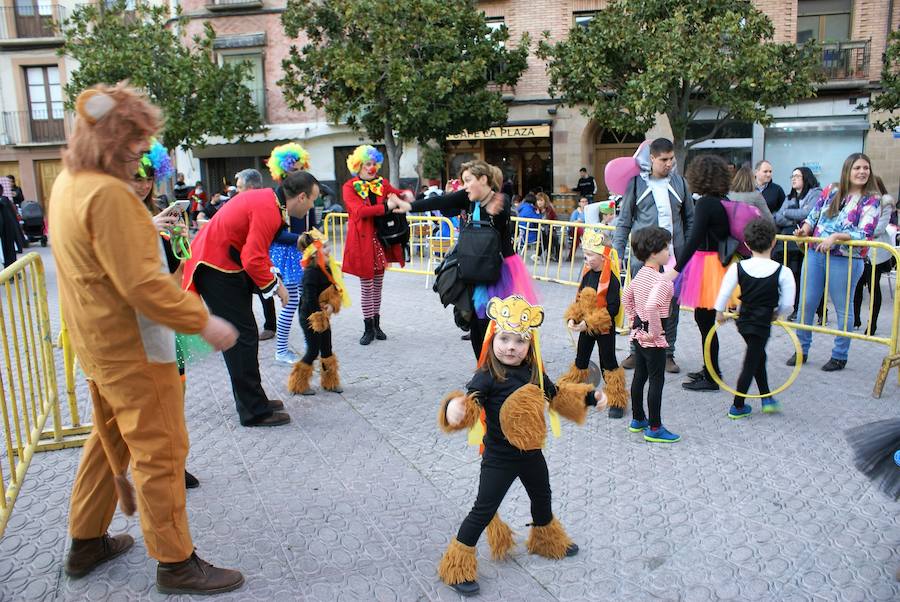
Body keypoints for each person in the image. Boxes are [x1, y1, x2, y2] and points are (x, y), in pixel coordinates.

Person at [50, 83, 242, 594]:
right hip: (135, 350)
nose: (141, 151)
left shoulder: (70, 183)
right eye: (134, 140)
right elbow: (142, 284)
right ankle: (176, 562)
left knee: (108, 443)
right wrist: (203, 322)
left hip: (98, 347)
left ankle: (86, 541)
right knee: (161, 452)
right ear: (114, 138)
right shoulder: (109, 193)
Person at [435, 294, 604, 597]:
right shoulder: (486, 376)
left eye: (519, 341)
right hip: (499, 458)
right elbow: (470, 403)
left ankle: (544, 540)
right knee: (484, 509)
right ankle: (456, 564)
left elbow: (558, 395)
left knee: (542, 496)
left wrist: (591, 397)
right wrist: (454, 410)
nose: (511, 346)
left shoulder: (534, 372)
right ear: (493, 338)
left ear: (529, 345)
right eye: (504, 338)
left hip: (531, 454)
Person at [183, 170, 320, 426]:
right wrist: (277, 288)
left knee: (245, 336)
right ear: (301, 197)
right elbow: (253, 258)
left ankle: (255, 401)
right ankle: (253, 410)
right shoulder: (268, 207)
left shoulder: (269, 202)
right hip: (217, 268)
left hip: (223, 265)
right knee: (241, 338)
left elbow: (254, 250)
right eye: (313, 199)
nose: (313, 205)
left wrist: (273, 281)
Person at [403, 160, 538, 359]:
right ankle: (483, 367)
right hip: (471, 268)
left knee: (499, 322)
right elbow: (439, 202)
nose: (465, 186)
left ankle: (500, 366)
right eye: (463, 182)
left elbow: (502, 221)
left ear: (484, 180)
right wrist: (407, 205)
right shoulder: (467, 198)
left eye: (468, 181)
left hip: (497, 270)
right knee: (476, 322)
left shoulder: (501, 200)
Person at [790, 153, 881, 371]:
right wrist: (804, 230)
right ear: (847, 170)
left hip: (846, 258)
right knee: (806, 303)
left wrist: (836, 237)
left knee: (843, 308)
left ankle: (840, 355)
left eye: (865, 168)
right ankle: (801, 349)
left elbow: (865, 233)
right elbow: (813, 215)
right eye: (857, 167)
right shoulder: (831, 190)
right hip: (815, 253)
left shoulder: (872, 199)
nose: (862, 172)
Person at [614, 137, 693, 374]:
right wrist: (617, 252)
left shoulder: (680, 183)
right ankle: (637, 351)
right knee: (639, 304)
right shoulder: (636, 184)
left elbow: (690, 218)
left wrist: (688, 251)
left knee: (670, 305)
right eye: (663, 160)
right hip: (643, 258)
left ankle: (667, 353)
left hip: (673, 257)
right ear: (652, 159)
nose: (669, 164)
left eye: (671, 159)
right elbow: (624, 221)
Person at [714, 218, 795, 418]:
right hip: (763, 321)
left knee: (758, 355)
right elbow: (788, 303)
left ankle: (766, 398)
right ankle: (738, 405)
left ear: (747, 245)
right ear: (774, 242)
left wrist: (719, 312)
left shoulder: (738, 267)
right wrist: (779, 313)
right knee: (751, 361)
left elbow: (724, 292)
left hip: (743, 320)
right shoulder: (783, 271)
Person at [670, 155, 734, 392]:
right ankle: (710, 369)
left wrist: (676, 271)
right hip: (714, 265)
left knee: (706, 322)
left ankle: (712, 375)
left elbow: (694, 239)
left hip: (707, 266)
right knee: (704, 320)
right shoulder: (721, 200)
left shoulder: (707, 203)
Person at [341, 145, 413, 345]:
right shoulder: (349, 187)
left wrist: (406, 195)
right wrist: (385, 207)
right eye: (367, 164)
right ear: (358, 166)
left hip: (381, 242)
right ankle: (367, 328)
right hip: (362, 242)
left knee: (378, 286)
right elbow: (358, 212)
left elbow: (398, 193)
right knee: (367, 286)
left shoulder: (382, 183)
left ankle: (377, 325)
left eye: (374, 164)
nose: (371, 168)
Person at [560, 229, 628, 418]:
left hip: (604, 328)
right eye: (585, 254)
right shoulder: (587, 274)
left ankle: (617, 400)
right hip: (586, 328)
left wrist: (589, 323)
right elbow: (580, 300)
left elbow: (613, 309)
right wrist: (574, 317)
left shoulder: (612, 280)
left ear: (603, 256)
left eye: (590, 255)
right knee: (581, 360)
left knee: (609, 363)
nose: (586, 258)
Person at [623, 226, 679, 443]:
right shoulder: (662, 281)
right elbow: (654, 306)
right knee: (656, 380)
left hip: (638, 335)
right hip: (653, 337)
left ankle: (638, 418)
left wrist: (632, 320)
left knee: (639, 376)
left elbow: (627, 297)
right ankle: (655, 427)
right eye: (666, 248)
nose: (669, 252)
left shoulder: (640, 275)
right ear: (654, 252)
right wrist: (655, 333)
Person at [265, 144, 319, 364]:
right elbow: (276, 234)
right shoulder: (278, 197)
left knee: (306, 300)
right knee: (292, 300)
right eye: (291, 170)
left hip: (303, 251)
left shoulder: (306, 193)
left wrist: (315, 239)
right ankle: (280, 349)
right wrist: (300, 239)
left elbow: (312, 223)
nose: (295, 173)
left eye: (299, 168)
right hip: (286, 254)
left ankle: (309, 344)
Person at [287, 229, 350, 395]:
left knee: (327, 348)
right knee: (313, 350)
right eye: (325, 247)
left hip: (323, 316)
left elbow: (334, 291)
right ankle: (298, 384)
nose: (329, 250)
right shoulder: (310, 274)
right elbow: (308, 300)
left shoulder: (326, 268)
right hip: (310, 317)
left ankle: (330, 382)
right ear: (314, 254)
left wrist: (331, 306)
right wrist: (320, 317)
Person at [773, 166, 822, 320]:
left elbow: (808, 214)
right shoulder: (790, 197)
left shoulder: (816, 193)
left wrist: (788, 212)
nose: (793, 179)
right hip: (789, 244)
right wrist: (795, 215)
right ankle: (792, 307)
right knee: (791, 275)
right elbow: (777, 217)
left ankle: (820, 311)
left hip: (806, 244)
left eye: (797, 176)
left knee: (805, 277)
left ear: (806, 178)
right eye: (792, 176)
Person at [853, 176, 897, 336]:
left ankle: (872, 324)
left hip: (876, 253)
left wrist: (857, 231)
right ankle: (855, 319)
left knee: (873, 287)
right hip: (860, 250)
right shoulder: (861, 202)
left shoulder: (884, 202)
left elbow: (879, 228)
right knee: (856, 286)